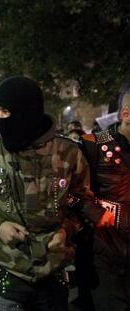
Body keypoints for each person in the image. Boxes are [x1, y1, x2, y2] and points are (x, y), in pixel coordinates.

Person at [0, 76, 93, 310]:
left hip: (53, 271)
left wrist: (66, 230)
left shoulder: (68, 152)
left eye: (5, 112)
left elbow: (83, 204)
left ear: (27, 111)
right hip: (6, 271)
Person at [80, 91, 130, 310]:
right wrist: (99, 214)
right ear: (126, 114)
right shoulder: (94, 146)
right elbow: (68, 195)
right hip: (107, 262)